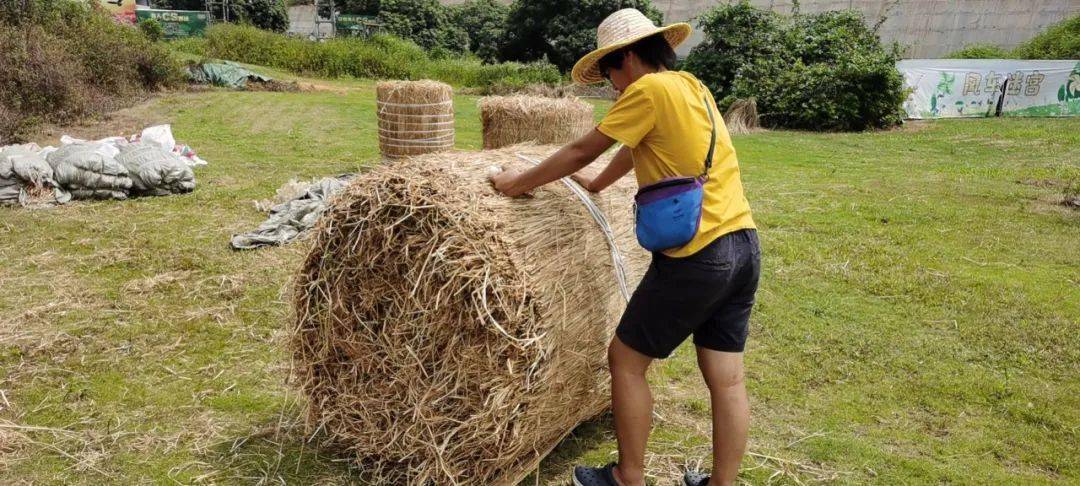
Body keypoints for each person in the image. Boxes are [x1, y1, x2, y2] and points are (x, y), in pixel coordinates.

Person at [489, 8, 759, 486]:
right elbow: (637, 147)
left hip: (698, 255)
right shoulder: (689, 85)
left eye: (611, 72)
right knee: (727, 378)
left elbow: (581, 149)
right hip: (742, 244)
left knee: (626, 361)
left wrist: (517, 184)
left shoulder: (646, 89)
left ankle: (627, 476)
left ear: (628, 58)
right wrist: (596, 185)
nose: (613, 86)